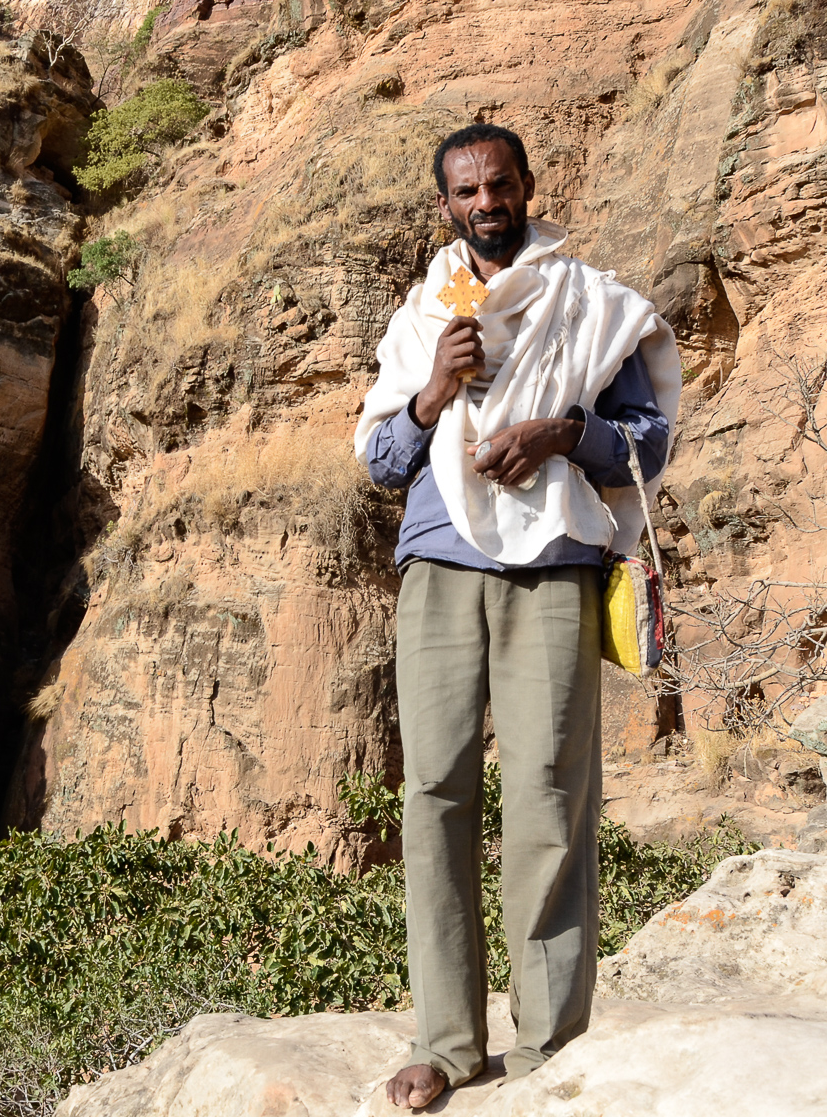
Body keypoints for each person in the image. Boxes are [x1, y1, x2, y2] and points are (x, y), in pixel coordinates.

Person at [353, 124, 681, 1108]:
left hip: (554, 568)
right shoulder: (422, 317)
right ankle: (446, 1046)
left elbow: (649, 442)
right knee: (437, 795)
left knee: (549, 795)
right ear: (446, 204)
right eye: (466, 190)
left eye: (500, 183)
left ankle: (549, 1047)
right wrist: (433, 396)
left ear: (528, 185)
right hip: (440, 567)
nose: (486, 202)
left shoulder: (591, 304)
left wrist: (561, 434)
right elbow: (377, 461)